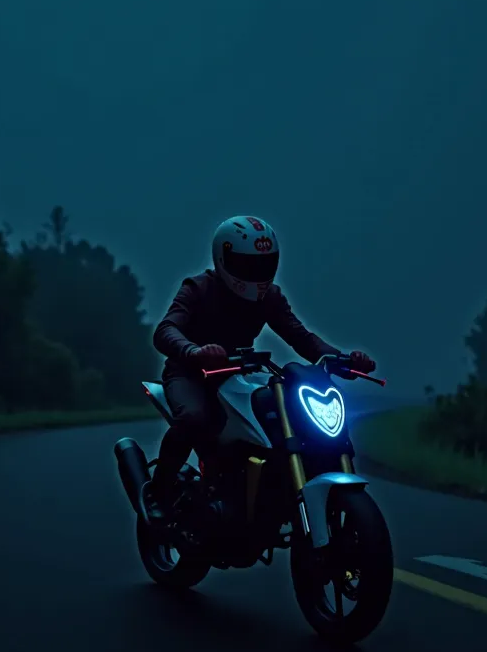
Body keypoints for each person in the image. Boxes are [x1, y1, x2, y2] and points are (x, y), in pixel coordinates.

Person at [144, 215, 376, 521]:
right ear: (222, 258)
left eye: (264, 264)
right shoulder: (198, 288)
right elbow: (165, 330)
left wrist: (341, 359)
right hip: (190, 373)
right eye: (247, 264)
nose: (257, 273)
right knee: (193, 418)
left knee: (279, 415)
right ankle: (159, 494)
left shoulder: (269, 297)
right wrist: (193, 351)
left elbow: (300, 336)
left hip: (240, 372)